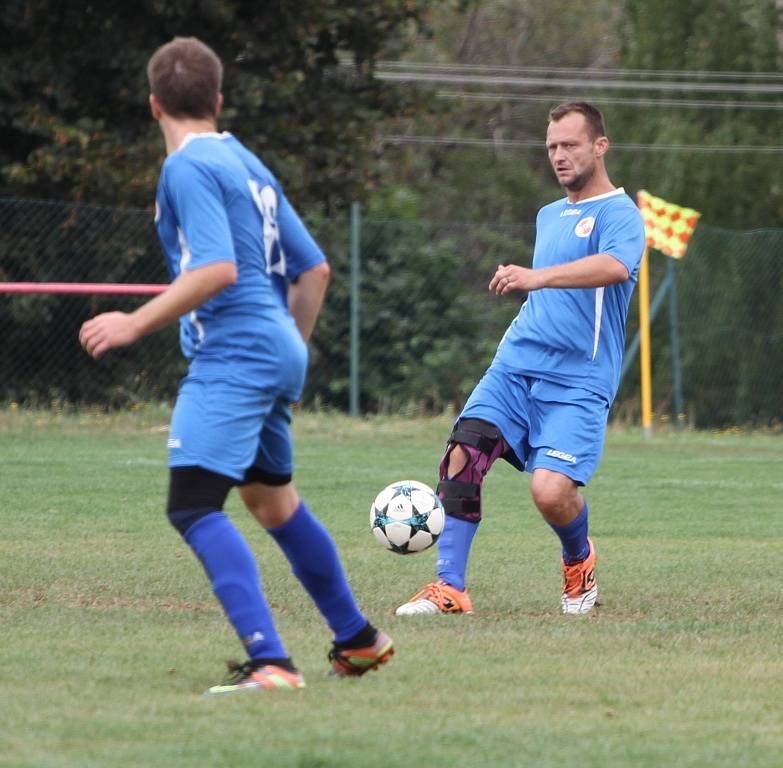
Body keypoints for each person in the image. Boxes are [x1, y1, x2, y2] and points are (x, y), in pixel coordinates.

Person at [79, 36, 392, 694]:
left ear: (153, 105)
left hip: (238, 351)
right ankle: (358, 640)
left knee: (192, 506)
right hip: (276, 344)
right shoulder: (246, 161)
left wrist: (134, 322)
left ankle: (271, 662)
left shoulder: (187, 168)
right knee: (271, 502)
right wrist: (293, 355)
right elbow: (315, 269)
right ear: (217, 101)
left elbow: (216, 269)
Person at [396, 102, 645, 617]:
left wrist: (536, 275)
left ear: (600, 146)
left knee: (551, 494)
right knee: (462, 455)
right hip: (515, 366)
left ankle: (579, 558)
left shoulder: (620, 214)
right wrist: (531, 286)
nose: (559, 155)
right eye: (552, 146)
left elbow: (615, 267)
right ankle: (450, 588)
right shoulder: (549, 214)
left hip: (579, 380)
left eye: (570, 144)